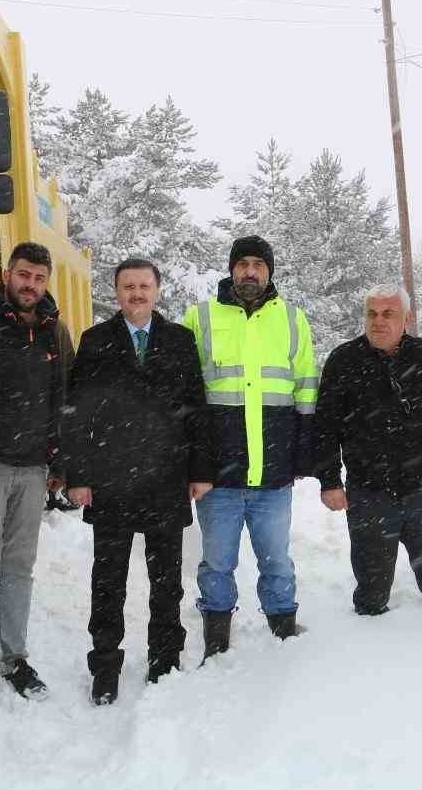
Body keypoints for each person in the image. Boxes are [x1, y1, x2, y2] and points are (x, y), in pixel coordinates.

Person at [59, 257, 213, 705]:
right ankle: (105, 664)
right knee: (108, 581)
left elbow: (196, 408)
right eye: (129, 286)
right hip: (111, 482)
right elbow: (77, 413)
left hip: (166, 478)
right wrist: (78, 476)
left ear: (157, 290)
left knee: (167, 581)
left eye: (144, 286)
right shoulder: (95, 341)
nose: (137, 294)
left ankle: (165, 658)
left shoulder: (179, 340)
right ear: (117, 291)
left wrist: (201, 470)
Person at [182, 235, 317, 655]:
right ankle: (216, 631)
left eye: (259, 265)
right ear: (231, 270)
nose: (250, 272)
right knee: (217, 561)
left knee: (276, 558)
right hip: (218, 475)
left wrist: (302, 454)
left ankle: (283, 625)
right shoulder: (201, 317)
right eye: (243, 264)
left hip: (272, 472)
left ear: (269, 272)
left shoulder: (292, 319)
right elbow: (186, 394)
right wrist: (193, 462)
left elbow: (306, 390)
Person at [0, 242, 74, 705]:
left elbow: (65, 398)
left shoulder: (55, 332)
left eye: (38, 278)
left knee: (19, 568)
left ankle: (15, 657)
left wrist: (60, 462)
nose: (30, 285)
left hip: (33, 469)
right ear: (7, 274)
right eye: (23, 275)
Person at [316, 285, 422, 615]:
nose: (378, 321)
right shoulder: (344, 361)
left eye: (388, 314)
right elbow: (325, 427)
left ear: (406, 318)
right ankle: (371, 641)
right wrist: (329, 481)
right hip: (369, 493)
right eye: (372, 313)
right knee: (371, 595)